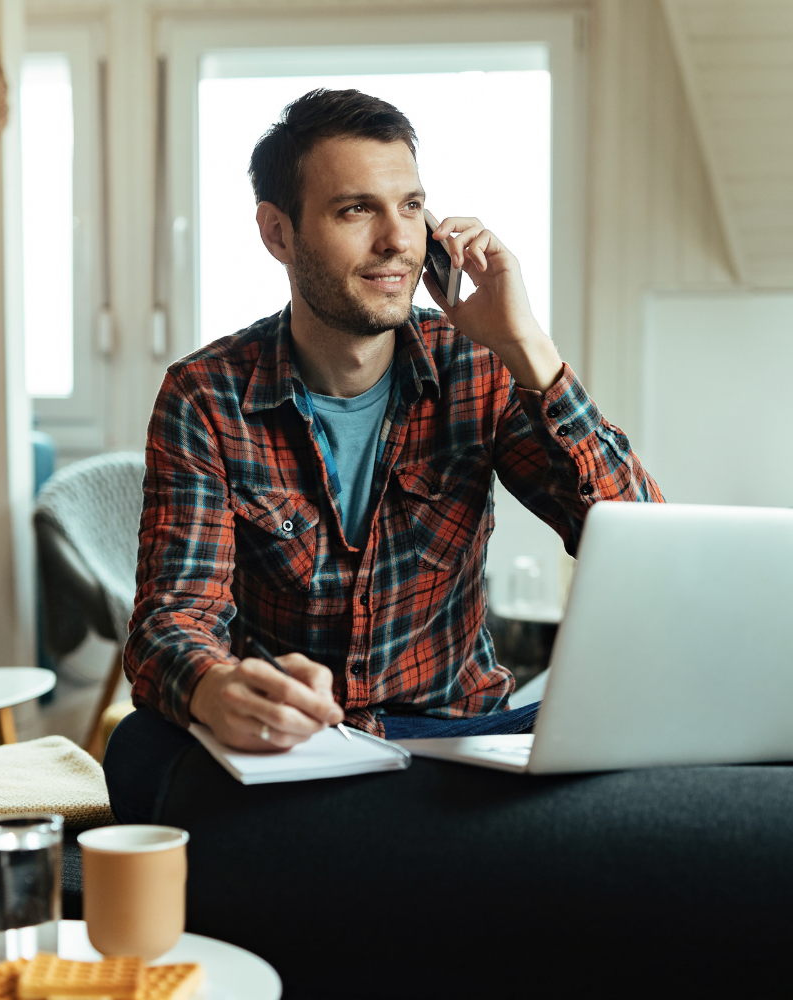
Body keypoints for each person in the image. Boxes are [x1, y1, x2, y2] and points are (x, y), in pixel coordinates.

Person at [104, 88, 662, 822]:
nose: (396, 240)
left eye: (409, 207)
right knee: (140, 748)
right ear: (277, 232)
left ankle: (373, 855)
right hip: (299, 748)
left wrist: (528, 348)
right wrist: (216, 689)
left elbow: (637, 542)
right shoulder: (205, 395)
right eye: (355, 210)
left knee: (655, 752)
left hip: (461, 738)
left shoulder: (479, 364)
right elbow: (171, 618)